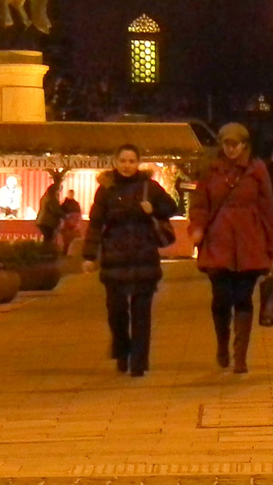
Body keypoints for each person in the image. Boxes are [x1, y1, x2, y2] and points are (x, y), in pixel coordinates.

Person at [188, 122, 273, 374]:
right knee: (221, 299)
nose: (230, 149)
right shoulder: (211, 170)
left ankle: (240, 356)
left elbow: (268, 208)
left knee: (242, 298)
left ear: (244, 145)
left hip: (250, 242)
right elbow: (200, 204)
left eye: (235, 144)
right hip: (219, 241)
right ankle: (222, 344)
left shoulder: (257, 169)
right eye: (226, 144)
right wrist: (196, 227)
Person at [82, 144, 179, 377]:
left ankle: (138, 361)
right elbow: (96, 224)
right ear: (115, 161)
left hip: (144, 257)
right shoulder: (106, 190)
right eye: (123, 161)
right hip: (114, 259)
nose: (127, 165)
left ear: (138, 163)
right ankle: (122, 348)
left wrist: (152, 208)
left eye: (131, 161)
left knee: (141, 313)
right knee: (116, 312)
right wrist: (88, 255)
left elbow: (171, 207)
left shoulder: (149, 187)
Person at [35, 182, 62, 246]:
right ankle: (47, 252)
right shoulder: (52, 198)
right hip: (48, 221)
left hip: (41, 220)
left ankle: (45, 251)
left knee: (47, 238)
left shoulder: (45, 197)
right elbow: (55, 210)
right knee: (49, 238)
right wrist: (64, 215)